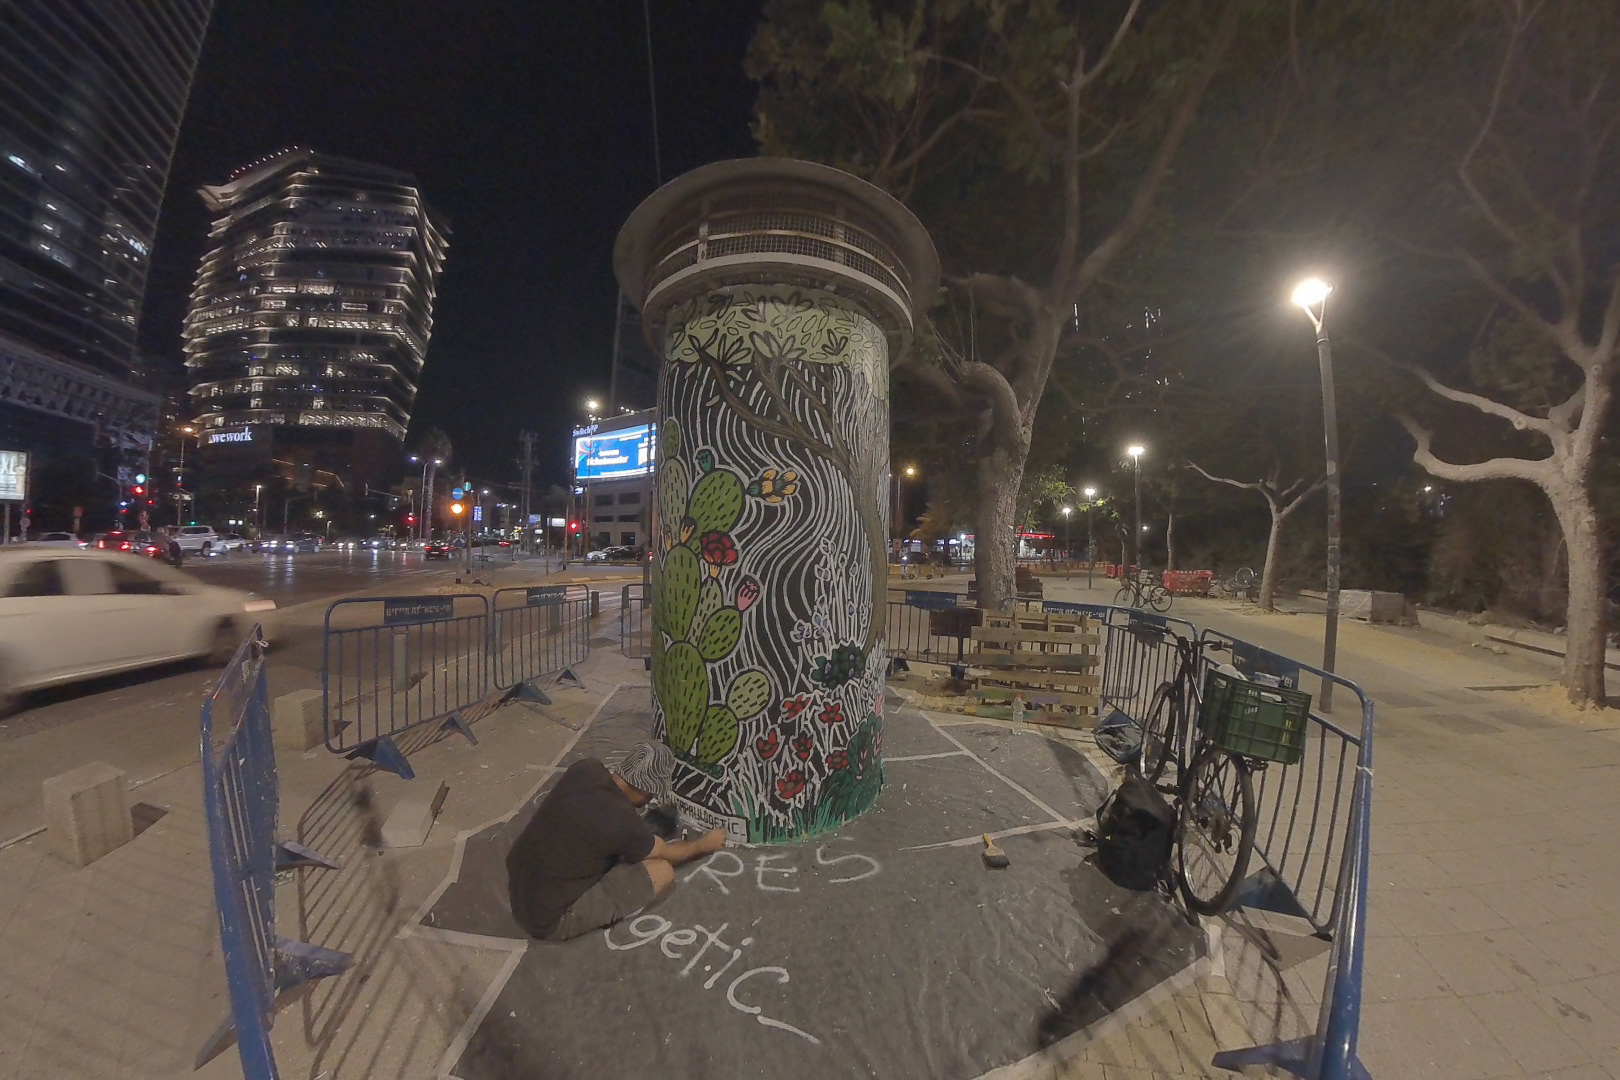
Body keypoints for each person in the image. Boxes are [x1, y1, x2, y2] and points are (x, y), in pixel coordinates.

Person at [506, 741, 726, 941]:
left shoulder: (586, 769)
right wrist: (703, 845)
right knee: (661, 872)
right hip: (547, 920)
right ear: (646, 791)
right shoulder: (623, 823)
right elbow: (666, 853)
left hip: (519, 886)